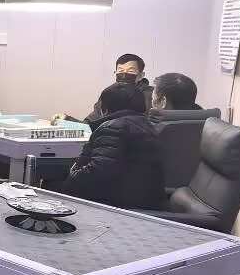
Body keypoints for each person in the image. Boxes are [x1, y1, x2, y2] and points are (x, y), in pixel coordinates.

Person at [58, 81, 166, 209]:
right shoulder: (147, 125)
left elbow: (97, 172)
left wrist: (72, 175)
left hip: (117, 204)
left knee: (52, 184)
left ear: (104, 109)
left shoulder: (113, 127)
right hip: (144, 199)